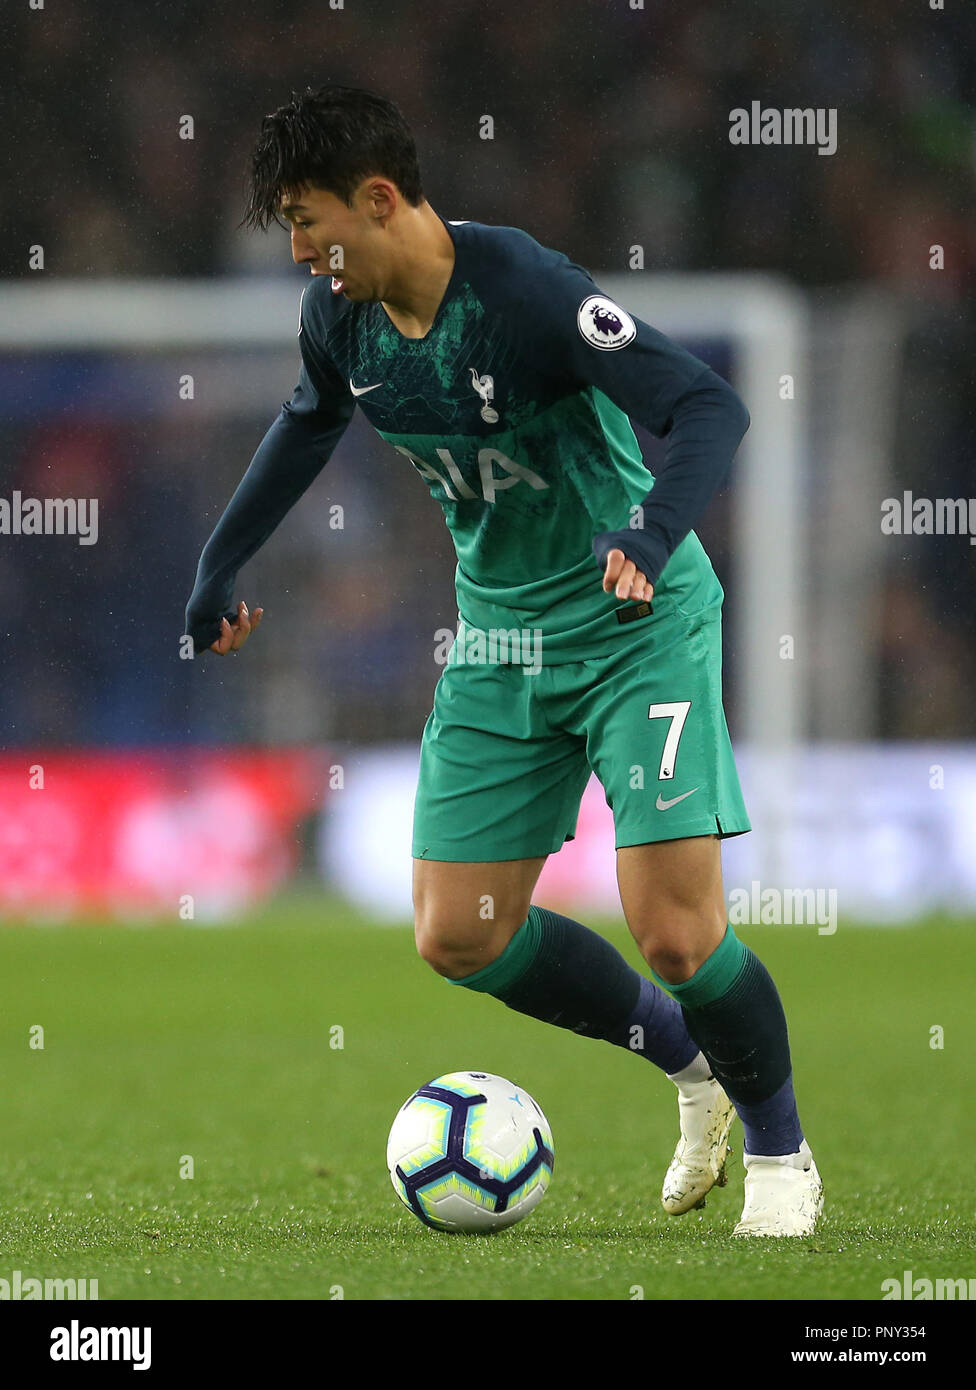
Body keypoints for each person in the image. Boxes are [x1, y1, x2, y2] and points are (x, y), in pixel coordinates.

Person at [185, 84, 822, 1236]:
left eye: (308, 218)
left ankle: (781, 1157)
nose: (297, 249)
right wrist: (217, 568)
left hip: (636, 627)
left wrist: (647, 531)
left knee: (674, 931)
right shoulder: (341, 318)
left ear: (378, 200)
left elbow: (707, 406)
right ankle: (687, 1061)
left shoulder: (526, 291)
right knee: (457, 932)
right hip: (500, 638)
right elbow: (305, 421)